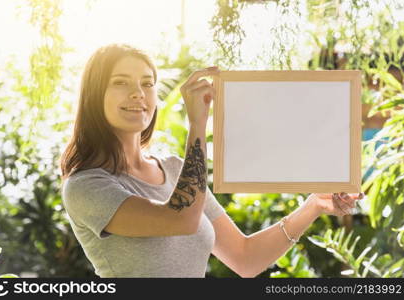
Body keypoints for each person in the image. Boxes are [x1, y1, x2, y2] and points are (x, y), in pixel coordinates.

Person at [60, 43, 365, 278]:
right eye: (120, 83)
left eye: (147, 83)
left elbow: (245, 258)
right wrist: (197, 125)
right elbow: (180, 219)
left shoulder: (176, 169)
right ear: (94, 95)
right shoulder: (87, 186)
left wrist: (313, 205)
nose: (138, 93)